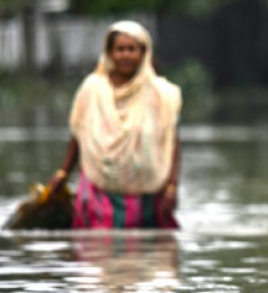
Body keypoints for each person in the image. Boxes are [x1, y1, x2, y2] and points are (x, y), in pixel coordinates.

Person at [45, 20, 182, 229]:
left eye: (131, 49)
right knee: (95, 251)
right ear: (109, 52)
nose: (125, 55)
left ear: (143, 53)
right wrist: (62, 173)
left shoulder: (161, 94)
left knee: (148, 254)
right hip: (97, 187)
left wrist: (172, 186)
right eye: (120, 49)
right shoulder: (92, 89)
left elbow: (171, 142)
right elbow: (78, 135)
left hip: (147, 193)